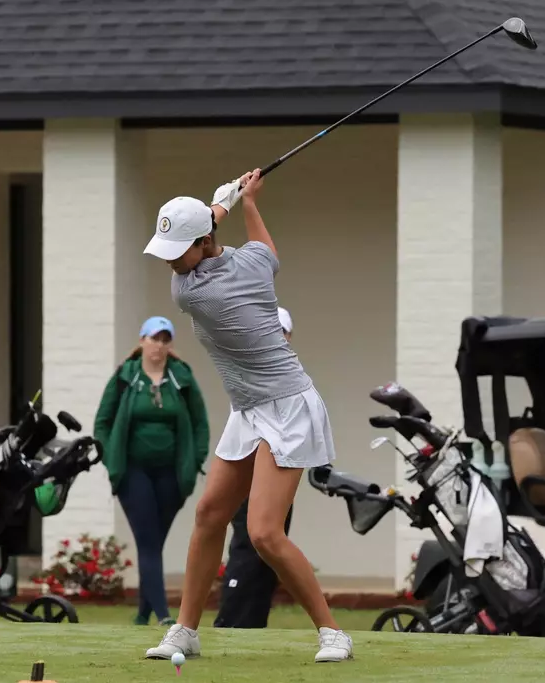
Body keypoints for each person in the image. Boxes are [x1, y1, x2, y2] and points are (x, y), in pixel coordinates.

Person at [140, 170, 353, 663]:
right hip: (249, 409)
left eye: (178, 251)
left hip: (289, 407)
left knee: (262, 533)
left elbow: (218, 226)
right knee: (210, 514)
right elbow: (265, 249)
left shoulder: (192, 295)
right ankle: (186, 630)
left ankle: (332, 632)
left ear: (204, 242)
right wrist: (249, 201)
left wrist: (226, 202)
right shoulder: (254, 262)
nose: (170, 263)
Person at [93, 315, 211, 626]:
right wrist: (110, 459)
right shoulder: (126, 375)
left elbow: (200, 423)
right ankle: (163, 615)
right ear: (142, 341)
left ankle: (143, 614)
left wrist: (195, 459)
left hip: (172, 474)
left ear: (169, 345)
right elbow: (102, 422)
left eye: (164, 339)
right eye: (153, 338)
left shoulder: (181, 377)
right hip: (133, 471)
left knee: (154, 542)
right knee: (147, 540)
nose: (158, 345)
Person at [213, 306, 296, 629]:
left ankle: (253, 623)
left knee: (268, 557)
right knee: (248, 550)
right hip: (248, 479)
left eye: (282, 333)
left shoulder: (292, 379)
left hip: (278, 481)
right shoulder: (251, 372)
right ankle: (231, 621)